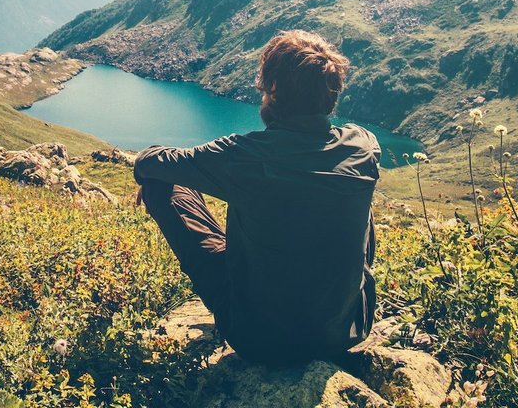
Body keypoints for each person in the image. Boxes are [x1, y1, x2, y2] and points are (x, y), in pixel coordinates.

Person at [133, 30, 379, 366]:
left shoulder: (244, 155)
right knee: (353, 195)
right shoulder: (364, 146)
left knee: (161, 182)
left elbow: (148, 161)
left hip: (260, 338)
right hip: (347, 330)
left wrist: (151, 177)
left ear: (273, 91)